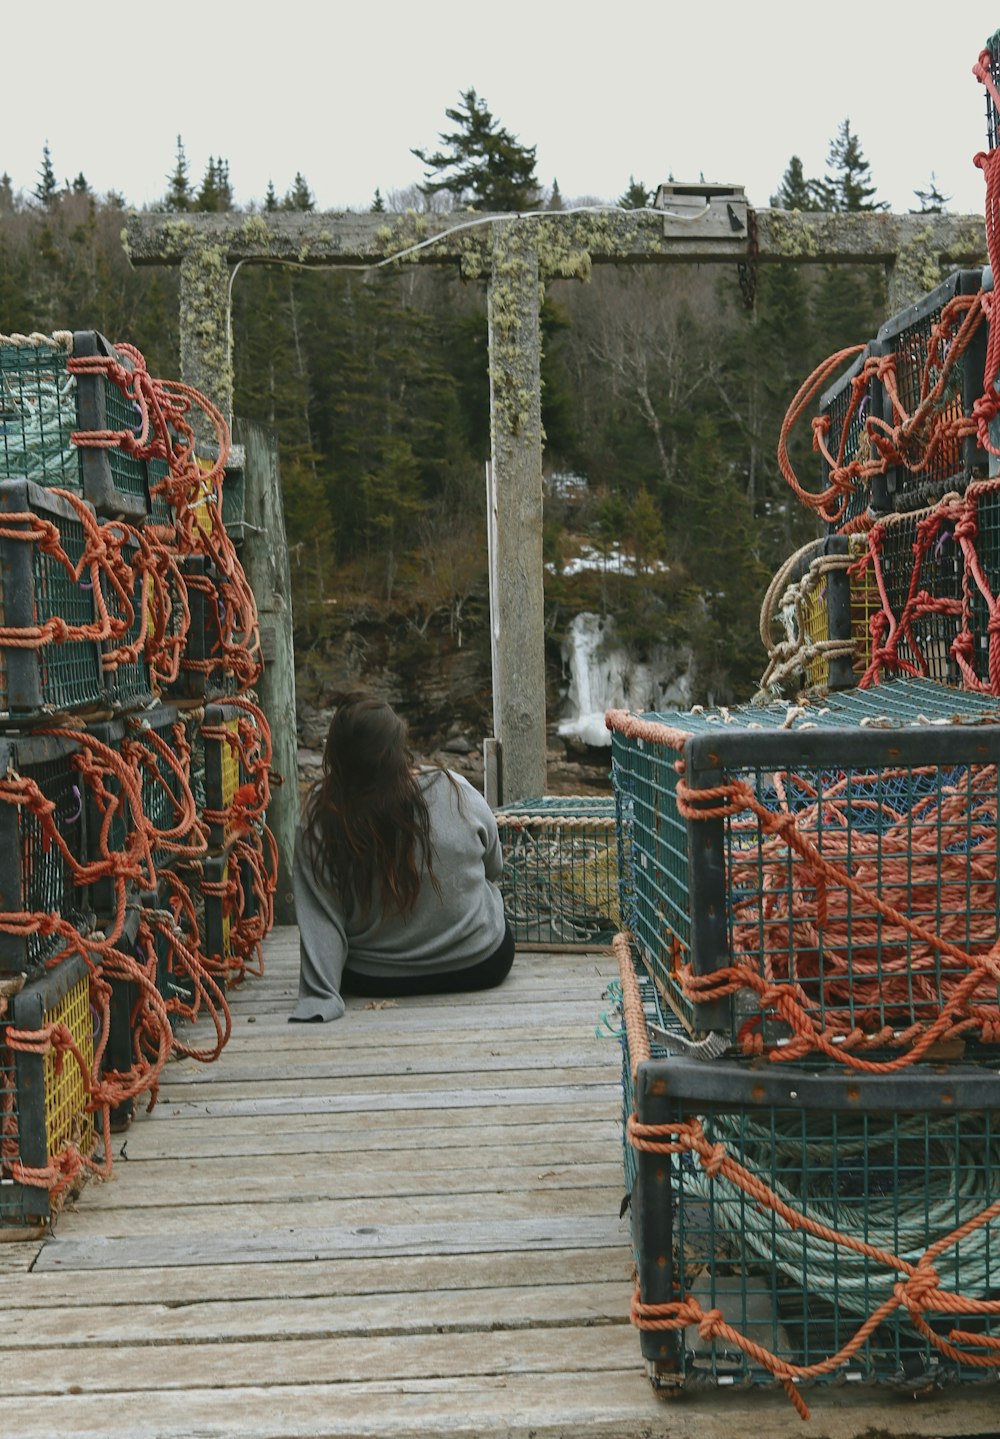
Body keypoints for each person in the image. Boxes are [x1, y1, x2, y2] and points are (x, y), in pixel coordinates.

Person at [290, 691, 514, 1022]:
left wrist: (320, 993)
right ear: (400, 748)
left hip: (375, 979)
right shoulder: (456, 789)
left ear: (334, 753)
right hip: (480, 963)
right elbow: (494, 867)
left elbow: (320, 914)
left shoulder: (321, 814)